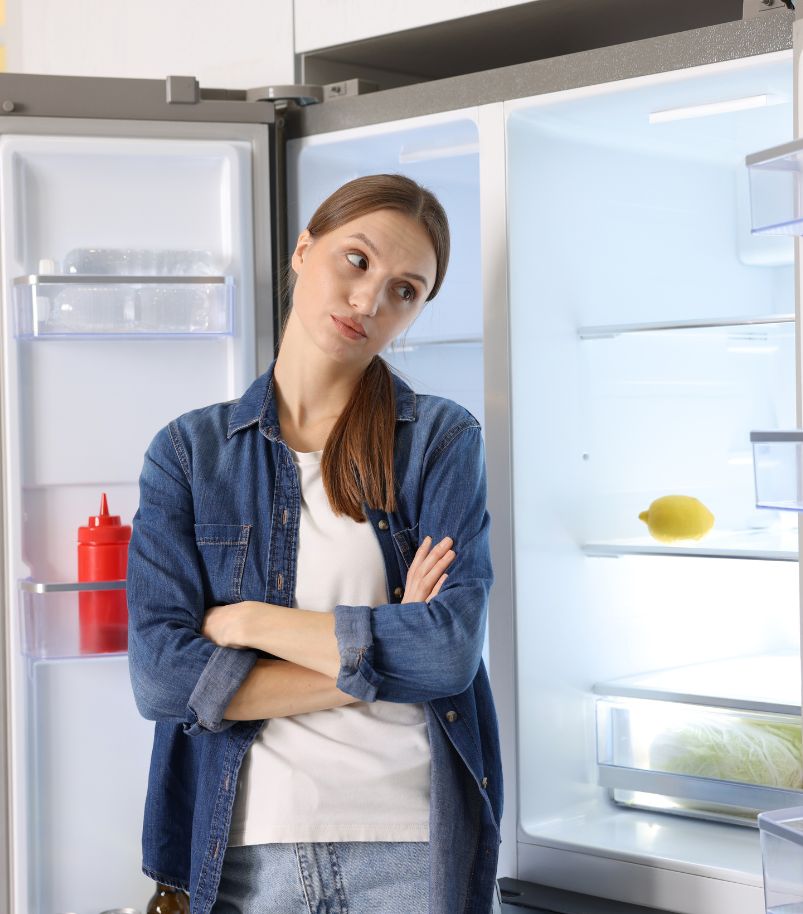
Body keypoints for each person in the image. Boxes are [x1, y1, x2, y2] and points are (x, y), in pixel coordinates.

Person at [127, 173, 503, 914]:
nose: (369, 301)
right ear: (303, 251)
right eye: (356, 261)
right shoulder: (189, 453)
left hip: (410, 849)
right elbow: (162, 681)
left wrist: (245, 625)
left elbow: (448, 653)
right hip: (241, 850)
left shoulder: (438, 440)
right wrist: (375, 662)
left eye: (405, 290)